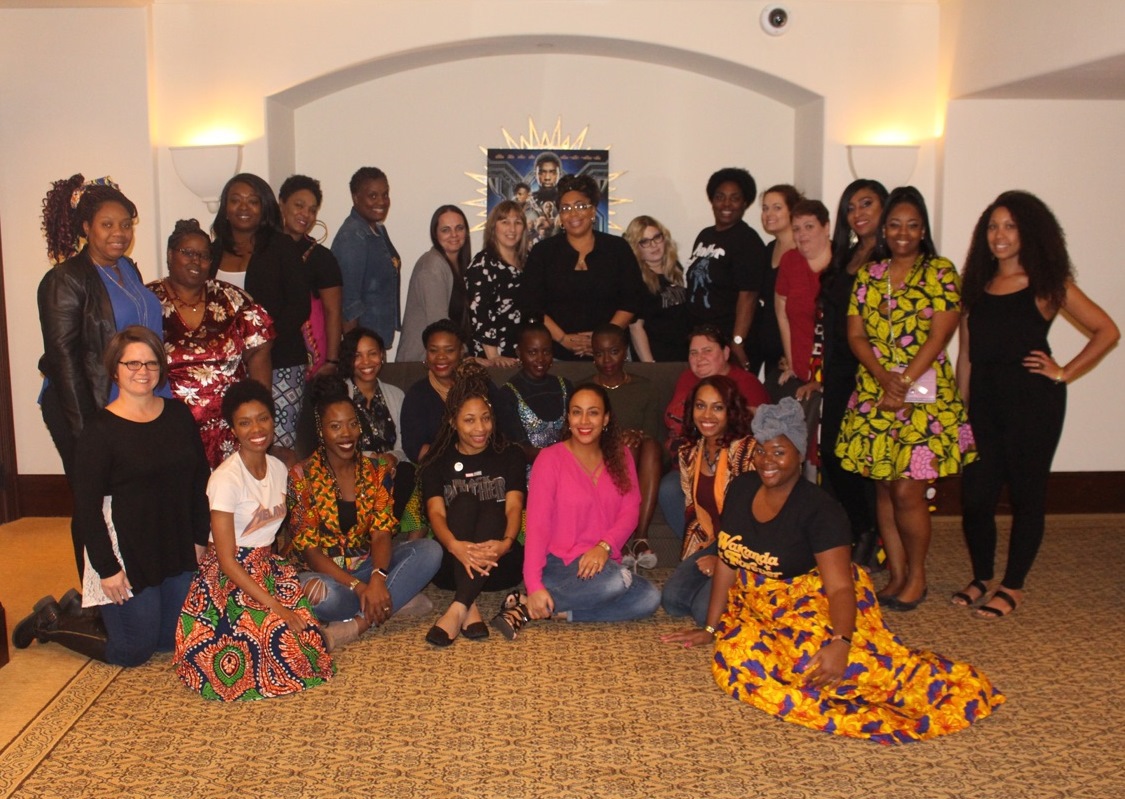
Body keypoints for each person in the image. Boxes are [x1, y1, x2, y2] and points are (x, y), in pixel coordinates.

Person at [661, 398, 1004, 743]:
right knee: (737, 661)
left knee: (828, 666)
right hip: (753, 604)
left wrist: (841, 642)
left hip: (812, 598)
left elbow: (840, 588)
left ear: (799, 454)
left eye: (779, 452)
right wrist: (711, 627)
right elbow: (728, 561)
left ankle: (925, 685)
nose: (767, 461)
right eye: (761, 451)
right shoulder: (741, 488)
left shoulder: (821, 510)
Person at [955, 191, 1119, 618]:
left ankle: (1013, 585)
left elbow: (1107, 330)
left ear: (1028, 232)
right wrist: (960, 412)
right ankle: (982, 576)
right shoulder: (975, 286)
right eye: (993, 226)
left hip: (1032, 403)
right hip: (984, 403)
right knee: (976, 497)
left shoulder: (1047, 284)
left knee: (1027, 495)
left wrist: (1063, 371)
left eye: (1010, 226)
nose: (1000, 235)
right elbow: (966, 355)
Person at [16, 327, 210, 666]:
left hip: (174, 543)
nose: (143, 371)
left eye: (151, 363)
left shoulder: (179, 415)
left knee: (168, 642)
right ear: (115, 369)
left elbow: (199, 481)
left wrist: (198, 538)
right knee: (133, 651)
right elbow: (87, 508)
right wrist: (107, 569)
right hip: (127, 550)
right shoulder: (100, 431)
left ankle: (84, 609)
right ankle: (52, 621)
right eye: (132, 363)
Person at [835, 186, 975, 611]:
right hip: (875, 394)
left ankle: (917, 576)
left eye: (913, 225)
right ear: (884, 229)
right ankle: (895, 575)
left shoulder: (941, 272)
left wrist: (904, 381)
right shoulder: (869, 275)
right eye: (895, 224)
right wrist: (884, 378)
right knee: (883, 488)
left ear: (923, 230)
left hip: (924, 402)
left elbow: (940, 335)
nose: (902, 233)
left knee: (907, 493)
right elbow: (856, 335)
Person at [37, 175, 169, 579]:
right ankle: (95, 592)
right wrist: (88, 431)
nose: (119, 233)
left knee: (133, 494)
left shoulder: (126, 268)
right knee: (93, 499)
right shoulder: (65, 279)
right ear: (86, 228)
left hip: (133, 400)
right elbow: (64, 361)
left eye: (125, 224)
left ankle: (136, 577)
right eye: (107, 224)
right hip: (85, 404)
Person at [175, 380, 334, 700]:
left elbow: (275, 533)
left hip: (267, 566)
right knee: (272, 638)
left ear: (273, 420)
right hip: (228, 575)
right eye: (245, 423)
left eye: (263, 418)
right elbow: (225, 560)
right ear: (233, 429)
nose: (256, 429)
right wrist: (276, 606)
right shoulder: (225, 479)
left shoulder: (279, 468)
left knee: (308, 647)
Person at [287, 375, 442, 647]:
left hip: (367, 567)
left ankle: (358, 623)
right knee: (318, 594)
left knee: (430, 551)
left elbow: (381, 534)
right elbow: (310, 552)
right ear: (321, 431)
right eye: (335, 426)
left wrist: (378, 579)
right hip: (326, 575)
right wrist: (359, 588)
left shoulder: (376, 471)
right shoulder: (302, 475)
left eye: (352, 424)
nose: (346, 434)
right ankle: (393, 599)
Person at [523, 384, 661, 623]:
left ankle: (559, 610)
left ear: (605, 418)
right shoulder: (549, 459)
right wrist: (533, 584)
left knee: (649, 597)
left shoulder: (621, 456)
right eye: (577, 412)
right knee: (616, 582)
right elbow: (537, 526)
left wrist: (604, 546)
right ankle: (537, 596)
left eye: (593, 412)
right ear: (568, 417)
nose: (584, 421)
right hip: (559, 563)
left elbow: (630, 511)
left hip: (603, 560)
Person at [148, 219, 274, 468]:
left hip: (229, 430)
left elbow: (260, 352)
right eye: (188, 253)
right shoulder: (148, 300)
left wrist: (258, 415)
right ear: (170, 255)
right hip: (171, 429)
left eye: (204, 256)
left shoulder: (233, 299)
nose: (196, 261)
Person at [418, 362, 527, 646]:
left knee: (493, 510)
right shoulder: (436, 462)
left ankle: (458, 607)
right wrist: (456, 547)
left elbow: (513, 508)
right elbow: (435, 513)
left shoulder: (510, 455)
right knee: (465, 502)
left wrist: (505, 544)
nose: (480, 428)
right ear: (452, 422)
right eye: (469, 420)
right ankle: (468, 604)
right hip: (451, 563)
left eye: (486, 418)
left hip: (500, 564)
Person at [210, 173, 310, 454]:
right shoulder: (212, 251)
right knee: (233, 445)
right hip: (227, 367)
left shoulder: (282, 247)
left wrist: (263, 343)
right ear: (225, 208)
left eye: (253, 201)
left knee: (276, 445)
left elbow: (299, 305)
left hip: (281, 362)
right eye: (236, 200)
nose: (244, 207)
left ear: (264, 207)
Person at [821, 180, 887, 566]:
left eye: (866, 204)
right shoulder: (845, 256)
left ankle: (872, 536)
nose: (857, 213)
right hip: (840, 370)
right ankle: (862, 528)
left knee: (869, 459)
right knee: (834, 455)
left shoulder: (891, 257)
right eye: (851, 207)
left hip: (874, 372)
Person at [658, 325, 770, 540]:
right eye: (693, 352)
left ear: (726, 353)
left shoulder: (746, 384)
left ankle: (722, 549)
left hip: (726, 466)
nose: (699, 358)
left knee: (676, 488)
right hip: (684, 464)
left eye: (707, 351)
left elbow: (760, 435)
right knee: (669, 489)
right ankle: (699, 546)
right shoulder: (686, 378)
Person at [660, 376, 755, 626]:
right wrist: (700, 553)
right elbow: (693, 511)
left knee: (704, 613)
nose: (707, 415)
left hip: (746, 545)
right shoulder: (689, 453)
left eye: (718, 407)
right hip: (713, 540)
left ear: (731, 411)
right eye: (700, 406)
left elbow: (756, 521)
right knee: (673, 602)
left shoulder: (747, 452)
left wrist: (724, 561)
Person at [520, 174, 644, 360]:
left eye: (580, 206)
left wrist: (602, 340)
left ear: (593, 210)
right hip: (554, 356)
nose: (573, 213)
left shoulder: (617, 248)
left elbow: (631, 301)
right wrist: (563, 339)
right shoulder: (543, 252)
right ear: (560, 216)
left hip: (611, 355)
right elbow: (531, 305)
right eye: (565, 208)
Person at [586, 324, 662, 569]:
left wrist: (637, 435)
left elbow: (654, 433)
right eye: (599, 353)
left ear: (626, 351)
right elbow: (580, 431)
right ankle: (623, 538)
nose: (607, 360)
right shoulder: (585, 389)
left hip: (642, 462)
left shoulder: (645, 387)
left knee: (647, 446)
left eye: (614, 351)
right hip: (598, 458)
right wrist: (617, 439)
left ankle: (640, 536)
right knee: (625, 447)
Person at [684, 167, 767, 370]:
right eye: (720, 197)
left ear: (745, 203)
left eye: (734, 198)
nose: (726, 204)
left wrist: (737, 341)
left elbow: (748, 295)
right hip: (704, 339)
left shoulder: (747, 240)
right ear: (712, 201)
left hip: (730, 341)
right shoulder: (705, 235)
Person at [775, 198, 832, 463]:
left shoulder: (841, 264)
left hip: (833, 374)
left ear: (826, 228)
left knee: (825, 453)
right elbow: (782, 311)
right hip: (800, 373)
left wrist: (822, 378)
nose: (802, 234)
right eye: (796, 228)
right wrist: (792, 362)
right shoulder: (790, 261)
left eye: (809, 226)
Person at [278, 174, 344, 378]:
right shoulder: (262, 248)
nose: (305, 214)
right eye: (299, 205)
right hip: (267, 353)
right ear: (281, 204)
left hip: (311, 359)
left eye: (312, 210)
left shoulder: (322, 258)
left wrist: (332, 361)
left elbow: (333, 311)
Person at [332, 166, 401, 348]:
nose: (381, 201)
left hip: (375, 339)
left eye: (385, 195)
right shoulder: (352, 237)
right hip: (363, 345)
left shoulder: (378, 229)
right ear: (356, 197)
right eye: (373, 196)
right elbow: (349, 302)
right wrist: (355, 350)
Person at [398, 205, 473, 362]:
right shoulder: (432, 267)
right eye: (446, 230)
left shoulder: (461, 266)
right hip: (419, 364)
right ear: (435, 234)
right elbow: (439, 325)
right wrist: (466, 354)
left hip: (443, 360)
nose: (454, 234)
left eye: (459, 228)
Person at [495, 322, 573, 466]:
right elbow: (519, 448)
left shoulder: (565, 387)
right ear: (519, 353)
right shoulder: (508, 394)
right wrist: (559, 458)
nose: (540, 359)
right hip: (530, 472)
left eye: (546, 352)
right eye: (532, 352)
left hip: (567, 466)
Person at [751, 184, 802, 389]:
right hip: (769, 349)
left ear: (792, 211)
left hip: (790, 352)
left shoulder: (802, 251)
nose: (769, 214)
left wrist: (794, 356)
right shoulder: (769, 249)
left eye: (777, 207)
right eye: (765, 208)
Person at [400, 319, 472, 464]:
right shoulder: (417, 395)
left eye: (449, 350)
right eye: (433, 350)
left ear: (461, 352)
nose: (440, 357)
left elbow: (501, 435)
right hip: (438, 469)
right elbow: (415, 449)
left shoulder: (479, 386)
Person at [465, 200, 529, 364]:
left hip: (524, 356)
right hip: (496, 359)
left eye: (517, 222)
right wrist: (494, 357)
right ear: (494, 227)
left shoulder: (528, 262)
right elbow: (480, 312)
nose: (512, 229)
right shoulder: (483, 264)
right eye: (505, 222)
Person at [622, 215, 689, 362]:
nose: (653, 245)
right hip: (657, 361)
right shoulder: (635, 280)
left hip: (683, 356)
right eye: (644, 241)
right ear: (635, 247)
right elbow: (636, 328)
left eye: (657, 237)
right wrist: (650, 366)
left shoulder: (676, 269)